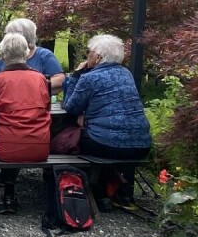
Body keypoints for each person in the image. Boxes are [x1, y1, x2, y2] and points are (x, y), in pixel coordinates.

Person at [63, 34, 152, 208]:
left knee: (66, 140)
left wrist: (75, 76)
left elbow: (71, 107)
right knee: (101, 136)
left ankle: (94, 191)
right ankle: (116, 189)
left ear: (98, 57)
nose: (87, 56)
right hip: (141, 145)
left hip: (107, 145)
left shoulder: (89, 78)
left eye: (88, 52)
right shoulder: (126, 74)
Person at [0, 33, 51, 214]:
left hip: (6, 147)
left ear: (3, 55)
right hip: (39, 146)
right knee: (19, 137)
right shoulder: (40, 79)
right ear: (27, 53)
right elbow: (46, 107)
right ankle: (9, 193)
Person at [0, 18, 65, 94]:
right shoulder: (9, 55)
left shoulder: (44, 55)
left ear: (24, 36)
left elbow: (60, 79)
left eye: (9, 34)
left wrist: (30, 87)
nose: (6, 38)